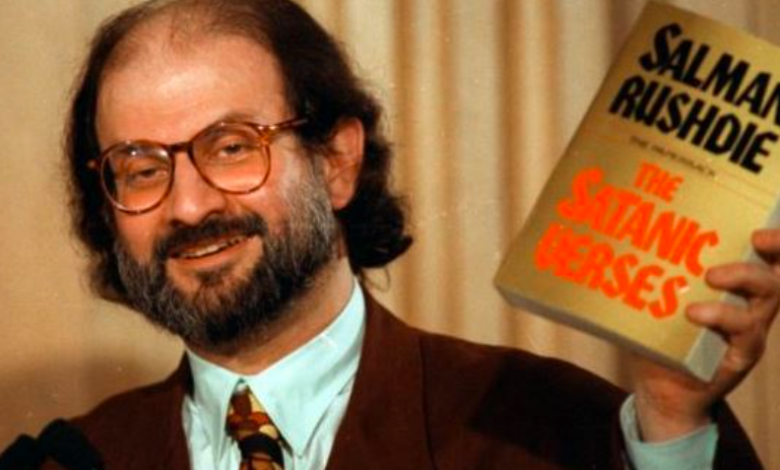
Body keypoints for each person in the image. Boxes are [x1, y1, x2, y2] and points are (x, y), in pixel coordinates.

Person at [4, 0, 779, 469]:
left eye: (232, 146)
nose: (188, 204)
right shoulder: (74, 462)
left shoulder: (556, 431)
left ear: (337, 162)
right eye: (141, 168)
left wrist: (674, 423)